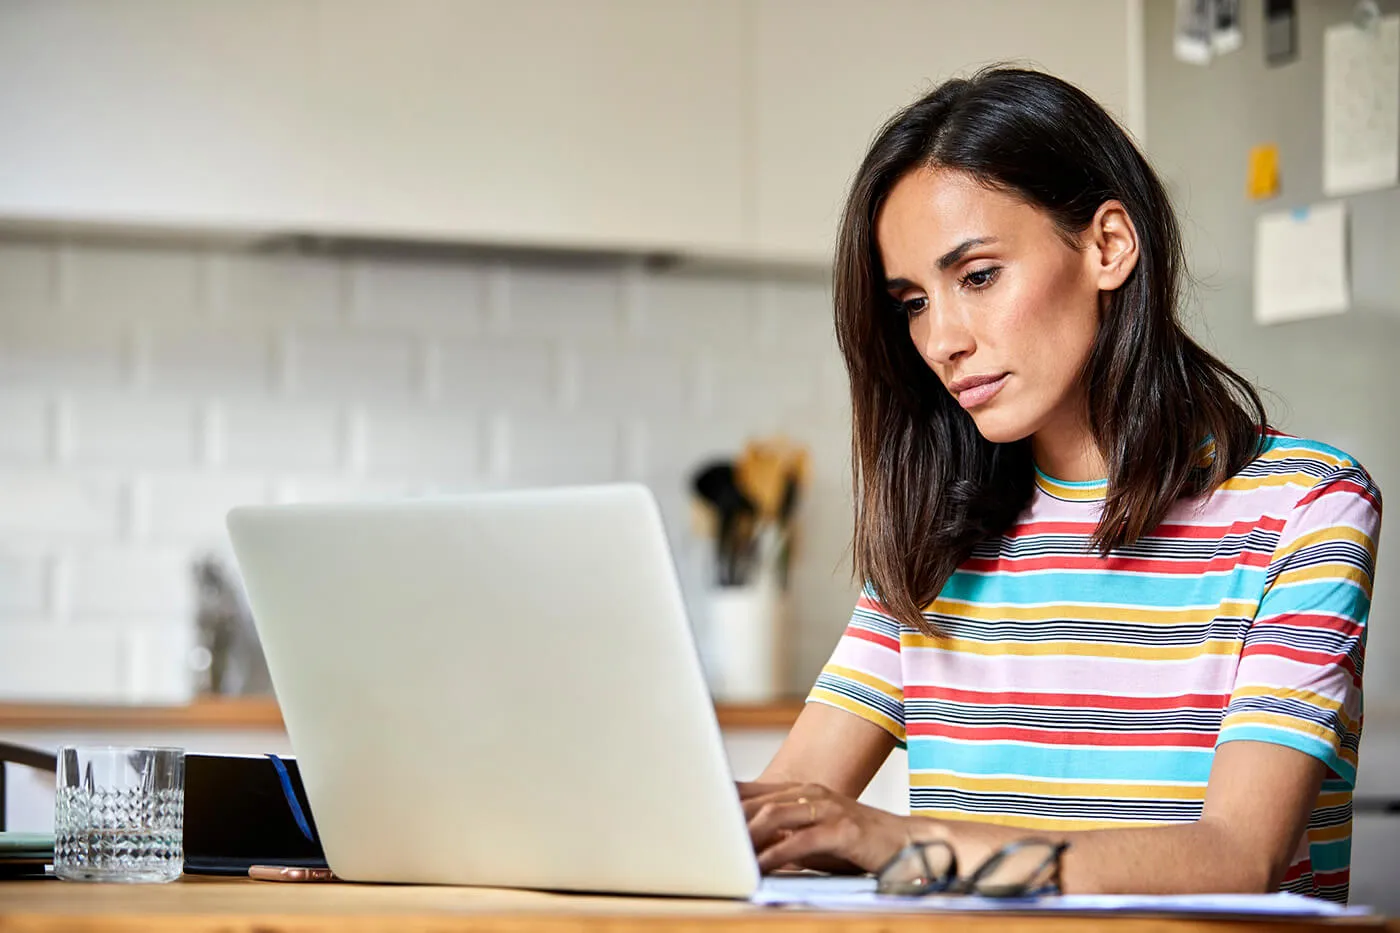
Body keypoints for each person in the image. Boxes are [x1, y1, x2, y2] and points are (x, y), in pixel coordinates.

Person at [740, 68, 1381, 902]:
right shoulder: (939, 542)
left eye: (976, 277)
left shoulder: (1305, 506)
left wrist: (903, 841)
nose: (941, 340)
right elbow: (792, 812)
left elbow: (1238, 856)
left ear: (1108, 245)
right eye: (912, 303)